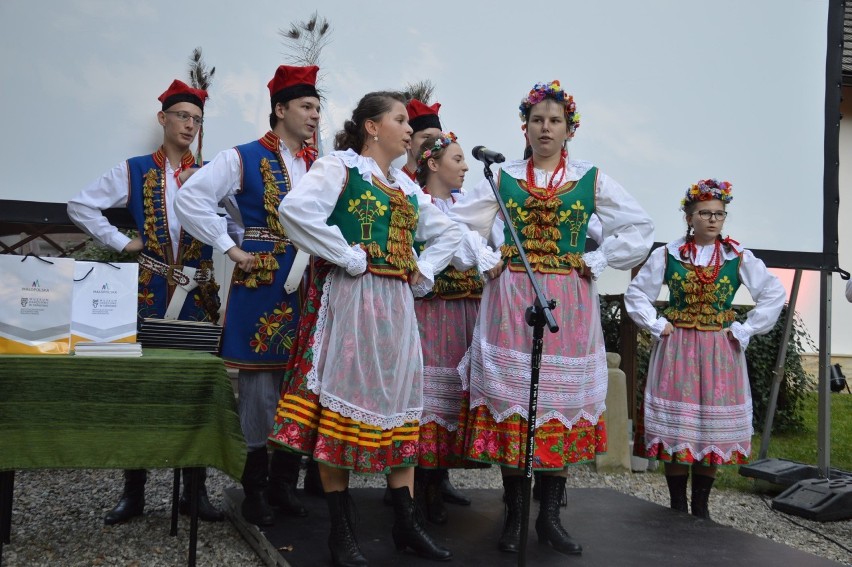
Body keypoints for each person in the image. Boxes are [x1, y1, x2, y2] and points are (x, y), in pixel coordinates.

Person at [447, 80, 654, 556]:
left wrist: (599, 260)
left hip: (569, 300)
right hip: (512, 299)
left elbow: (639, 227)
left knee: (557, 406)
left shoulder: (591, 179)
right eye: (537, 119)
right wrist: (485, 255)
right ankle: (516, 513)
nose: (546, 128)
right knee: (517, 402)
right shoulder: (502, 177)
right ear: (525, 125)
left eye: (555, 120)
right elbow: (454, 220)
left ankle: (551, 517)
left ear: (569, 129)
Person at [268, 91, 472, 566]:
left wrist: (423, 270)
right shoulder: (339, 168)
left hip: (396, 306)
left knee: (401, 405)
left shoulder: (404, 184)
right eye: (400, 120)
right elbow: (294, 211)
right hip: (351, 301)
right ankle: (342, 532)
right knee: (342, 401)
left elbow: (450, 231)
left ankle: (405, 522)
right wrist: (344, 253)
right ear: (372, 127)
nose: (409, 128)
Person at [67, 79, 224, 524]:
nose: (189, 125)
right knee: (140, 387)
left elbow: (240, 217)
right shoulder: (135, 170)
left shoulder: (213, 172)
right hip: (148, 291)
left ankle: (194, 492)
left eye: (196, 119)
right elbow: (81, 206)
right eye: (182, 116)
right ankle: (133, 492)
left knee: (194, 388)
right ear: (163, 119)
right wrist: (121, 242)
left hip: (198, 294)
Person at [173, 65, 321, 527]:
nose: (315, 116)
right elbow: (191, 198)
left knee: (301, 385)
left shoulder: (322, 164)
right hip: (263, 282)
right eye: (305, 107)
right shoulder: (243, 157)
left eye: (318, 108)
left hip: (312, 285)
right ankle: (254, 489)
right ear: (280, 110)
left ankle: (283, 486)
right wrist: (230, 245)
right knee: (258, 389)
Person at [625, 178, 785, 519]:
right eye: (705, 213)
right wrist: (655, 323)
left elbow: (773, 293)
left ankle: (701, 506)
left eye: (719, 214)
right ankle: (677, 504)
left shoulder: (736, 256)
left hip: (719, 349)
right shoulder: (667, 254)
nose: (713, 220)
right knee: (678, 426)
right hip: (678, 347)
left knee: (709, 428)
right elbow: (636, 293)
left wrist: (746, 328)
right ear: (689, 217)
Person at [401, 99, 442, 182]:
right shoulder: (395, 182)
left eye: (439, 138)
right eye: (427, 137)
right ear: (409, 141)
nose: (435, 143)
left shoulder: (448, 186)